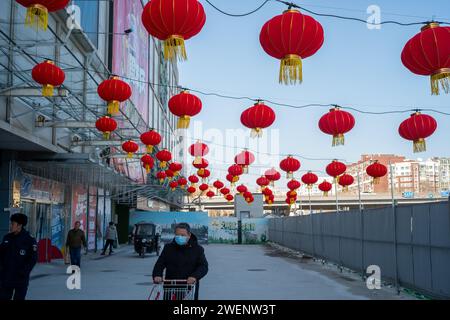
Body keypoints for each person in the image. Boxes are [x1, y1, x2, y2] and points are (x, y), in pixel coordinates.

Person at [152, 223, 208, 300]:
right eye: (177, 235)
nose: (179, 237)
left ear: (189, 235)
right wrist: (157, 275)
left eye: (183, 235)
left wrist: (194, 276)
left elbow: (203, 266)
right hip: (171, 286)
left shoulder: (197, 249)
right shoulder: (168, 248)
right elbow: (160, 264)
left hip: (189, 286)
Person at [0, 213, 37, 300]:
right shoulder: (7, 238)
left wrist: (24, 272)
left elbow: (33, 259)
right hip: (6, 278)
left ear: (20, 225)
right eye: (11, 223)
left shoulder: (29, 240)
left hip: (20, 279)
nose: (11, 226)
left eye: (13, 224)